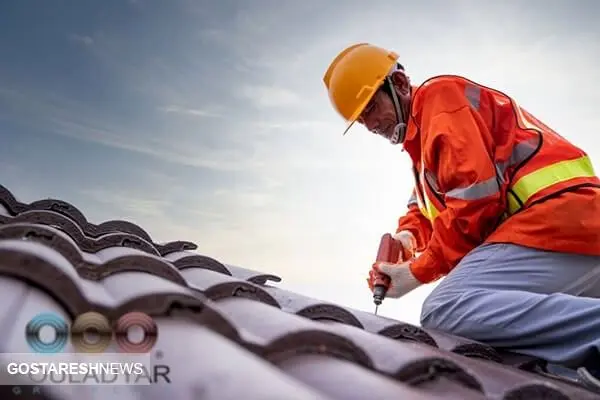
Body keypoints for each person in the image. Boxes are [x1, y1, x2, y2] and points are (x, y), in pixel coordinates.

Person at [322, 42, 600, 389]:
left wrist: (419, 271)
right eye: (361, 118)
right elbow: (424, 210)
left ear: (402, 84)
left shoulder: (441, 101)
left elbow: (475, 204)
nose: (370, 124)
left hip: (558, 224)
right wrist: (408, 241)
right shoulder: (424, 148)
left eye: (371, 107)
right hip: (572, 233)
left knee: (446, 306)